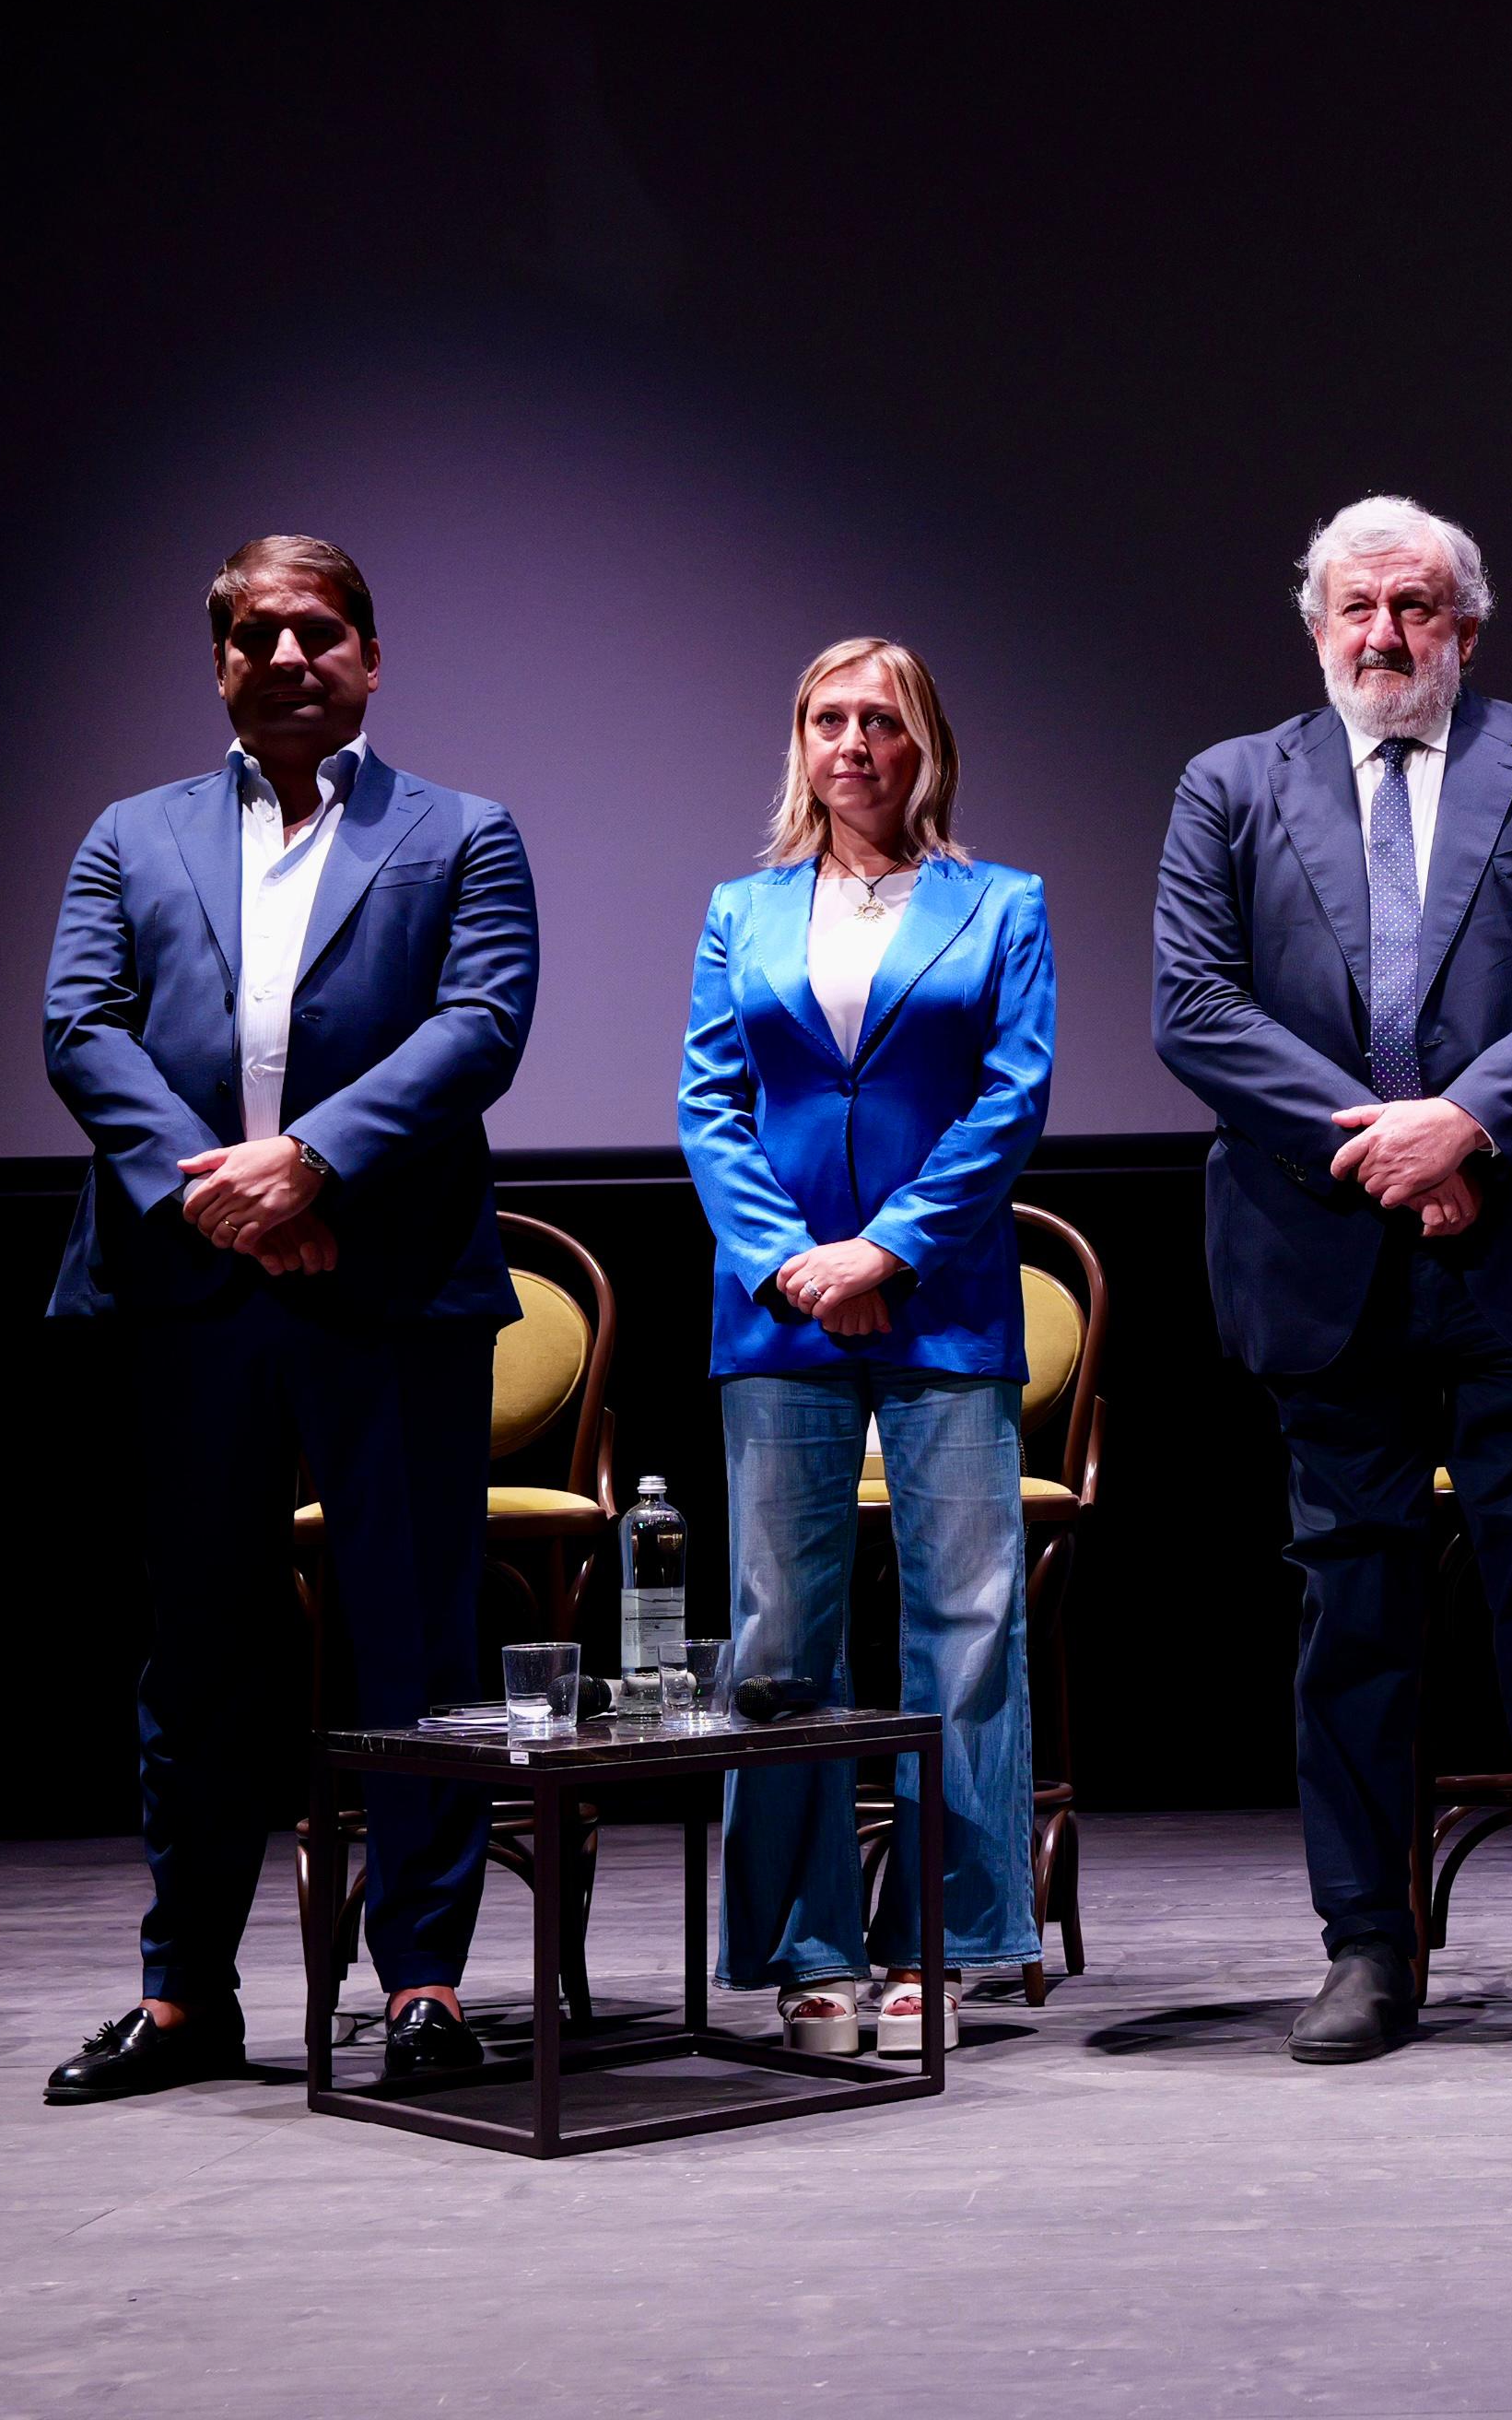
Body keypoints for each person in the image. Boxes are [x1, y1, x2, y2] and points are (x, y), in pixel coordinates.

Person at [1152, 494, 1512, 2065]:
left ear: (1466, 628)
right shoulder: (1230, 786)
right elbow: (1191, 1003)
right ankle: (1367, 1948)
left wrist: (1469, 1130)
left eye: (1419, 610)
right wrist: (1383, 1148)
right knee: (1353, 1606)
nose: (1388, 636)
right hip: (1323, 1257)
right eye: (1360, 610)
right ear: (1317, 626)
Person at [38, 535, 533, 2100]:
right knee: (199, 1655)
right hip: (192, 1295)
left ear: (372, 659)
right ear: (220, 665)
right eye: (255, 634)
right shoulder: (133, 836)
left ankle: (426, 1989)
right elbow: (80, 1024)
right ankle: (188, 2000)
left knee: (418, 1644)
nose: (287, 655)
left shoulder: (464, 831)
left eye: (318, 631)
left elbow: (481, 1026)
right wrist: (221, 1194)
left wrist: (312, 1166)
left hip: (387, 1291)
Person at [679, 639, 1057, 2058]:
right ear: (802, 742)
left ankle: (952, 1940)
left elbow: (1011, 1099)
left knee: (965, 1626)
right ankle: (807, 1943)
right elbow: (710, 1106)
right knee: (784, 1636)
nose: (854, 742)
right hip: (775, 1312)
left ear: (924, 746)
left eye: (880, 720)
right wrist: (793, 1261)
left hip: (943, 1298)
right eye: (828, 719)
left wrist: (888, 1249)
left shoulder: (999, 903)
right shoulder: (743, 909)